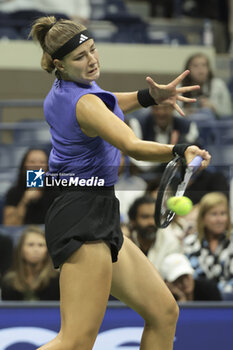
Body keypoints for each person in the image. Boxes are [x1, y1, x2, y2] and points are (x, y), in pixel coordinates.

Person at [29, 16, 210, 350]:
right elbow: (133, 147)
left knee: (163, 311)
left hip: (95, 209)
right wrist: (180, 150)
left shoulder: (70, 90)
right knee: (76, 341)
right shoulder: (83, 102)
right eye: (80, 57)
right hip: (82, 217)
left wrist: (148, 97)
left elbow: (107, 101)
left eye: (92, 50)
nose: (92, 59)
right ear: (60, 64)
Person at [183, 192, 233, 298]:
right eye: (214, 214)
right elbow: (189, 280)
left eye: (223, 213)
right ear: (203, 218)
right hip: (199, 304)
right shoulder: (190, 243)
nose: (219, 219)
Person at [1, 226, 60, 301]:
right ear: (21, 250)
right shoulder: (9, 282)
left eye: (41, 245)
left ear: (47, 251)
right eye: (31, 245)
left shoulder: (57, 280)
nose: (36, 250)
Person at [3, 148, 59, 225]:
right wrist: (24, 201)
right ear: (24, 166)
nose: (37, 165)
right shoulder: (14, 193)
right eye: (32, 162)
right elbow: (10, 225)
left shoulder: (56, 192)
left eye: (42, 162)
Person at [128, 196, 183, 274]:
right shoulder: (124, 243)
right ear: (133, 221)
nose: (151, 222)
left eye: (155, 217)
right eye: (145, 217)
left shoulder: (170, 243)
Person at [180, 52, 232, 118]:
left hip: (214, 123)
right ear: (188, 69)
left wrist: (213, 107)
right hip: (187, 123)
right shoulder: (180, 88)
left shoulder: (218, 85)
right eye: (195, 65)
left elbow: (228, 112)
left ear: (209, 69)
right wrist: (185, 112)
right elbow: (172, 114)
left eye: (204, 65)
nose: (200, 69)